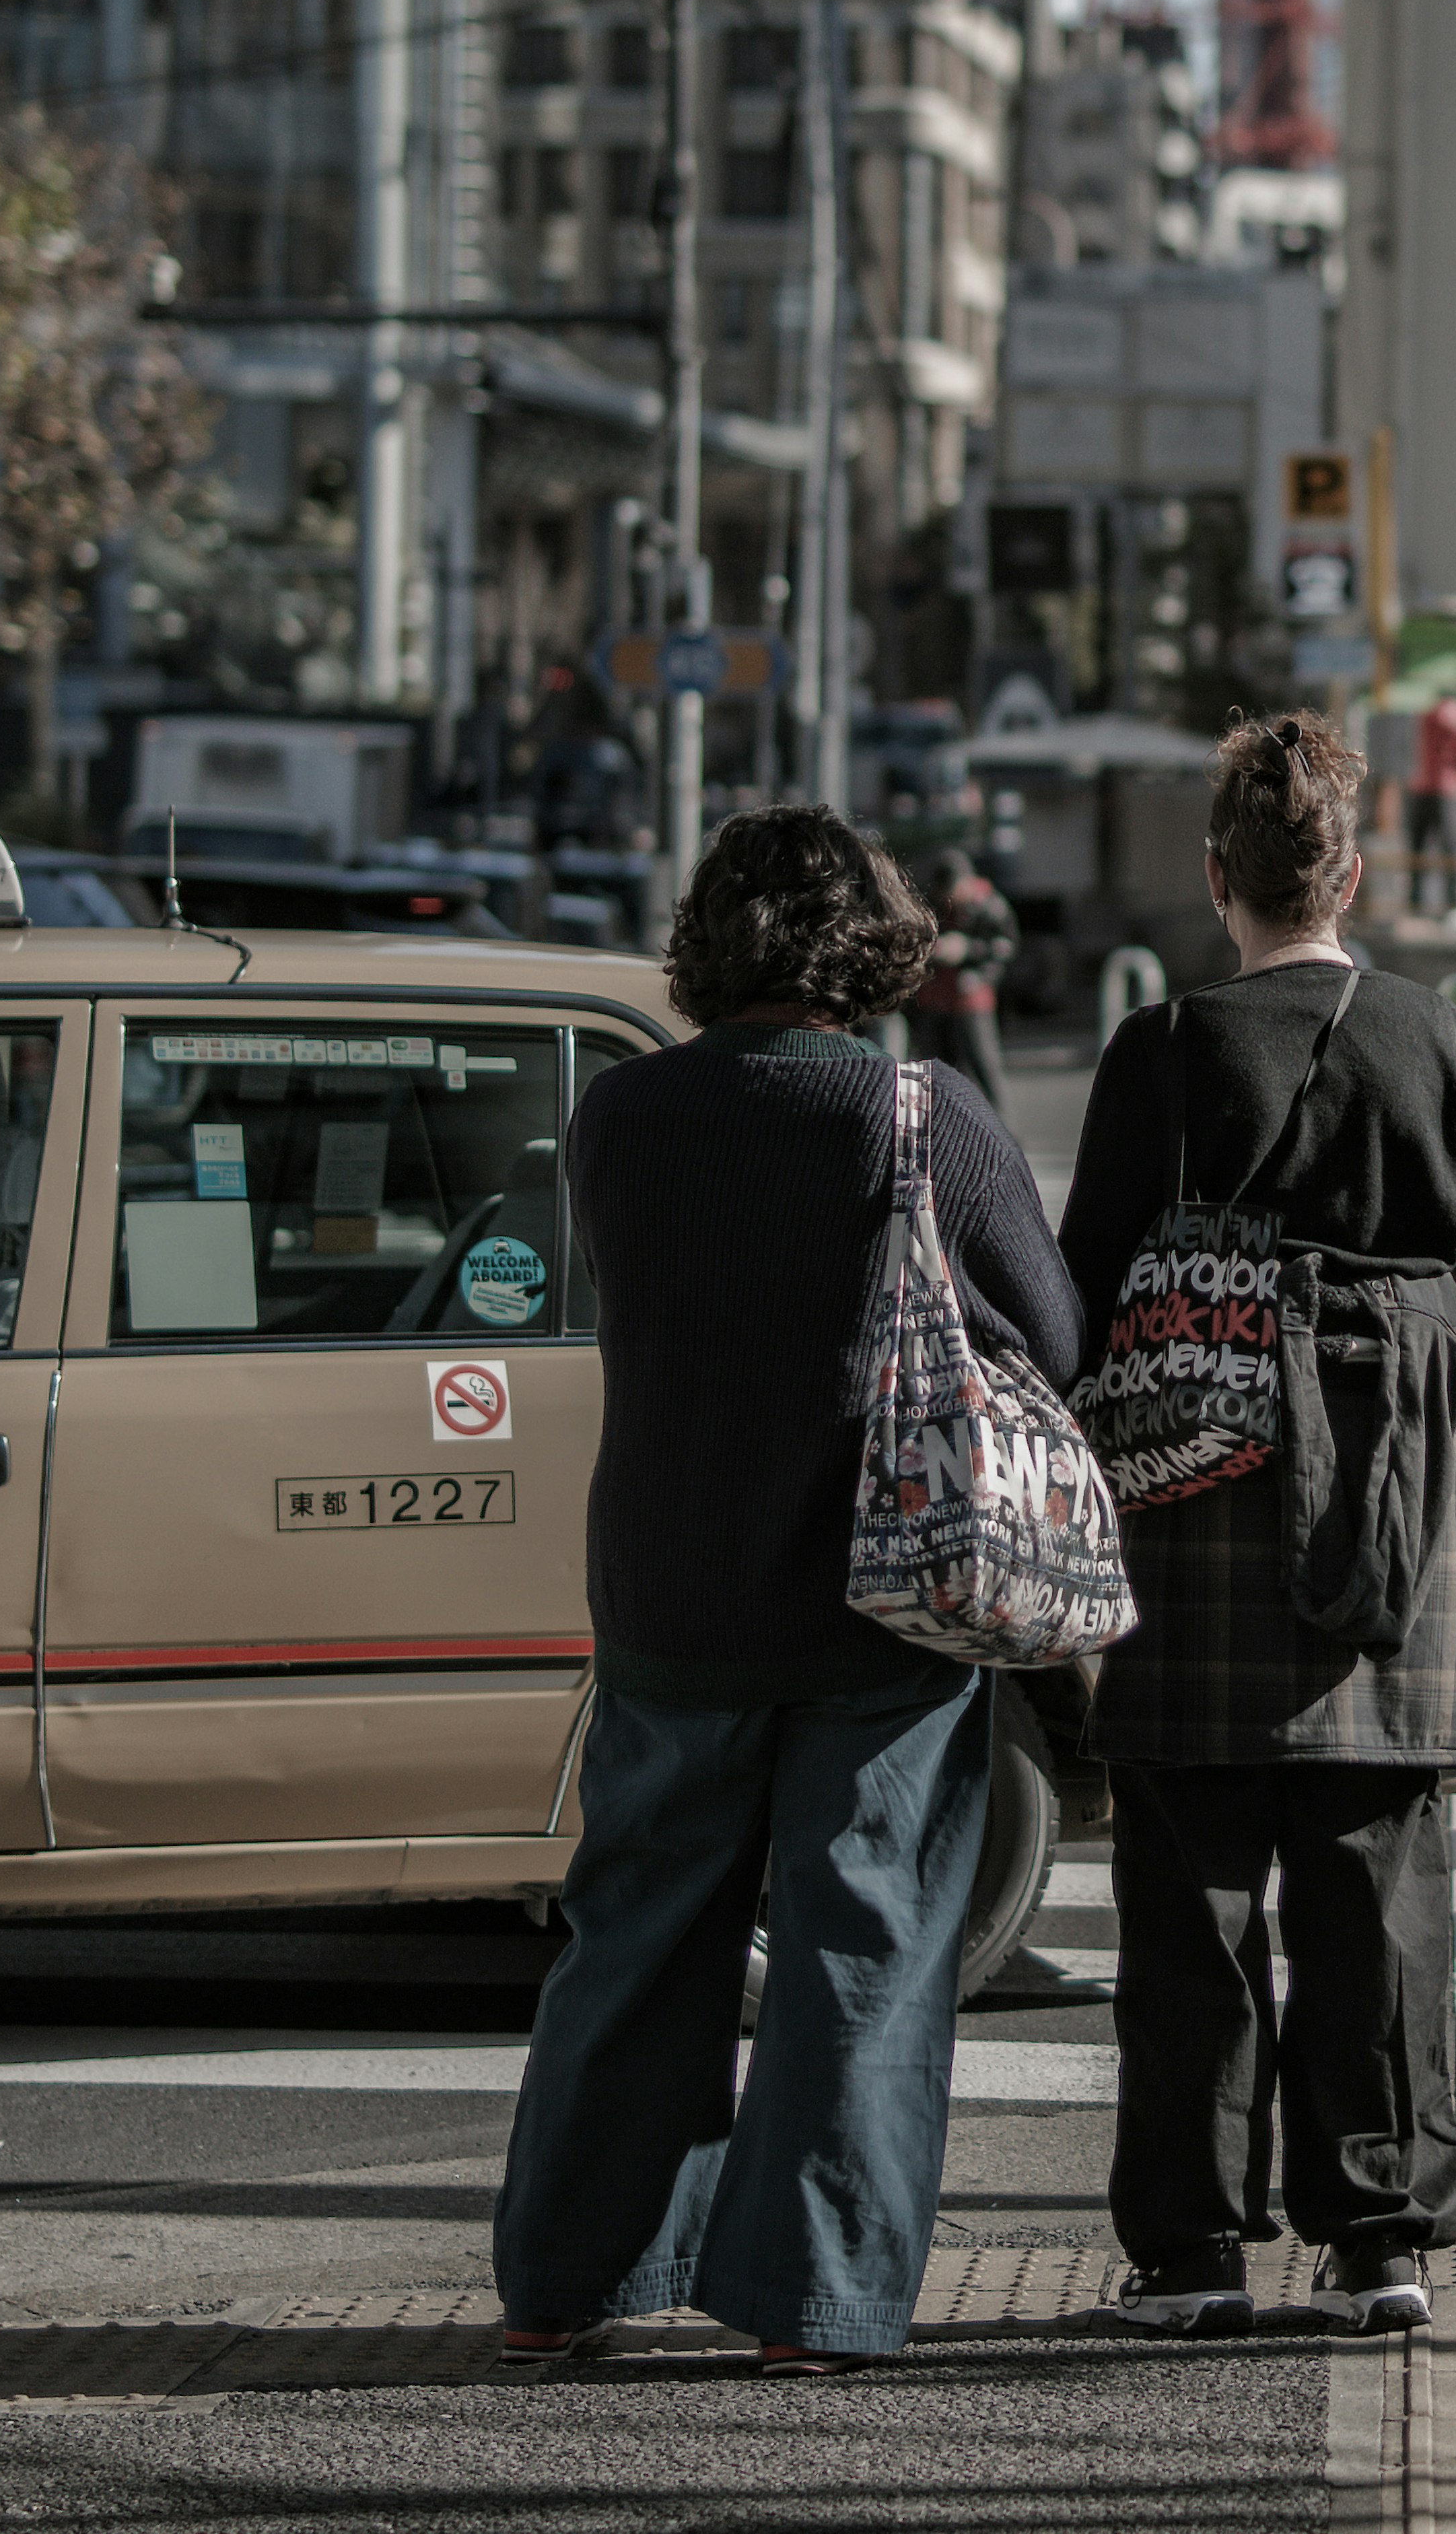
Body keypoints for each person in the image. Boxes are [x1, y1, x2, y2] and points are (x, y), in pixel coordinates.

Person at [492, 802, 1084, 2372]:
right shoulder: (921, 1116)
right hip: (875, 1604)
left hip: (670, 1588)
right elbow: (1050, 1328)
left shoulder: (619, 1118)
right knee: (861, 1949)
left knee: (632, 1940)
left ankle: (564, 2281)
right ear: (867, 943)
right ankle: (810, 2306)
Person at [1058, 712, 1456, 2340]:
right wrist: (1402, 1451)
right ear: (1353, 871)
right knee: (1375, 1889)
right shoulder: (1436, 1040)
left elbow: (1077, 1295)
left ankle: (1188, 2256)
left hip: (1196, 1514)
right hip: (1386, 1525)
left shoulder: (1162, 1046)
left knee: (1188, 1895)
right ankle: (1377, 2241)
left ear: (1218, 881)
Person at [909, 845, 1020, 1112]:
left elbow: (1005, 946)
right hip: (936, 998)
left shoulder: (988, 904)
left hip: (971, 998)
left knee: (982, 1066)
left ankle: (998, 1127)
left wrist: (969, 950)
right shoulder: (934, 903)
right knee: (932, 1069)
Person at [1405, 690, 1456, 914]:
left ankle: (1416, 903)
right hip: (1449, 790)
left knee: (1417, 852)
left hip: (1420, 786)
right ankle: (1454, 904)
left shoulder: (1425, 718)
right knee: (1452, 851)